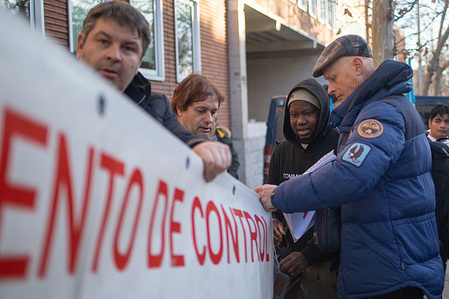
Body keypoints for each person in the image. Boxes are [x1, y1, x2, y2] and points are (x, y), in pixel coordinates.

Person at [255, 34, 444, 298]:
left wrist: (278, 196)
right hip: (388, 265)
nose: (329, 89)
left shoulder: (382, 113)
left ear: (357, 66)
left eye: (333, 78)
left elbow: (350, 176)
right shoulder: (376, 110)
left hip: (391, 272)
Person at [75, 1, 231, 182]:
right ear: (80, 45)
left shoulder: (157, 107)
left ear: (139, 61)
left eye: (128, 48)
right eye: (103, 41)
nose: (114, 55)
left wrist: (202, 147)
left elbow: (182, 137)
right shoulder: (42, 83)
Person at [268, 78, 339, 298]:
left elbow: (341, 211)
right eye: (294, 115)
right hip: (287, 262)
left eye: (308, 113)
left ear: (322, 112)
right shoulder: (281, 152)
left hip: (325, 264)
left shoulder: (338, 147)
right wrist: (274, 220)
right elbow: (272, 196)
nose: (300, 121)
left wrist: (308, 254)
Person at [170, 73, 239, 179]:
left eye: (213, 112)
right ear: (179, 109)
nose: (209, 119)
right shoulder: (162, 145)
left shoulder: (219, 145)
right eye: (201, 111)